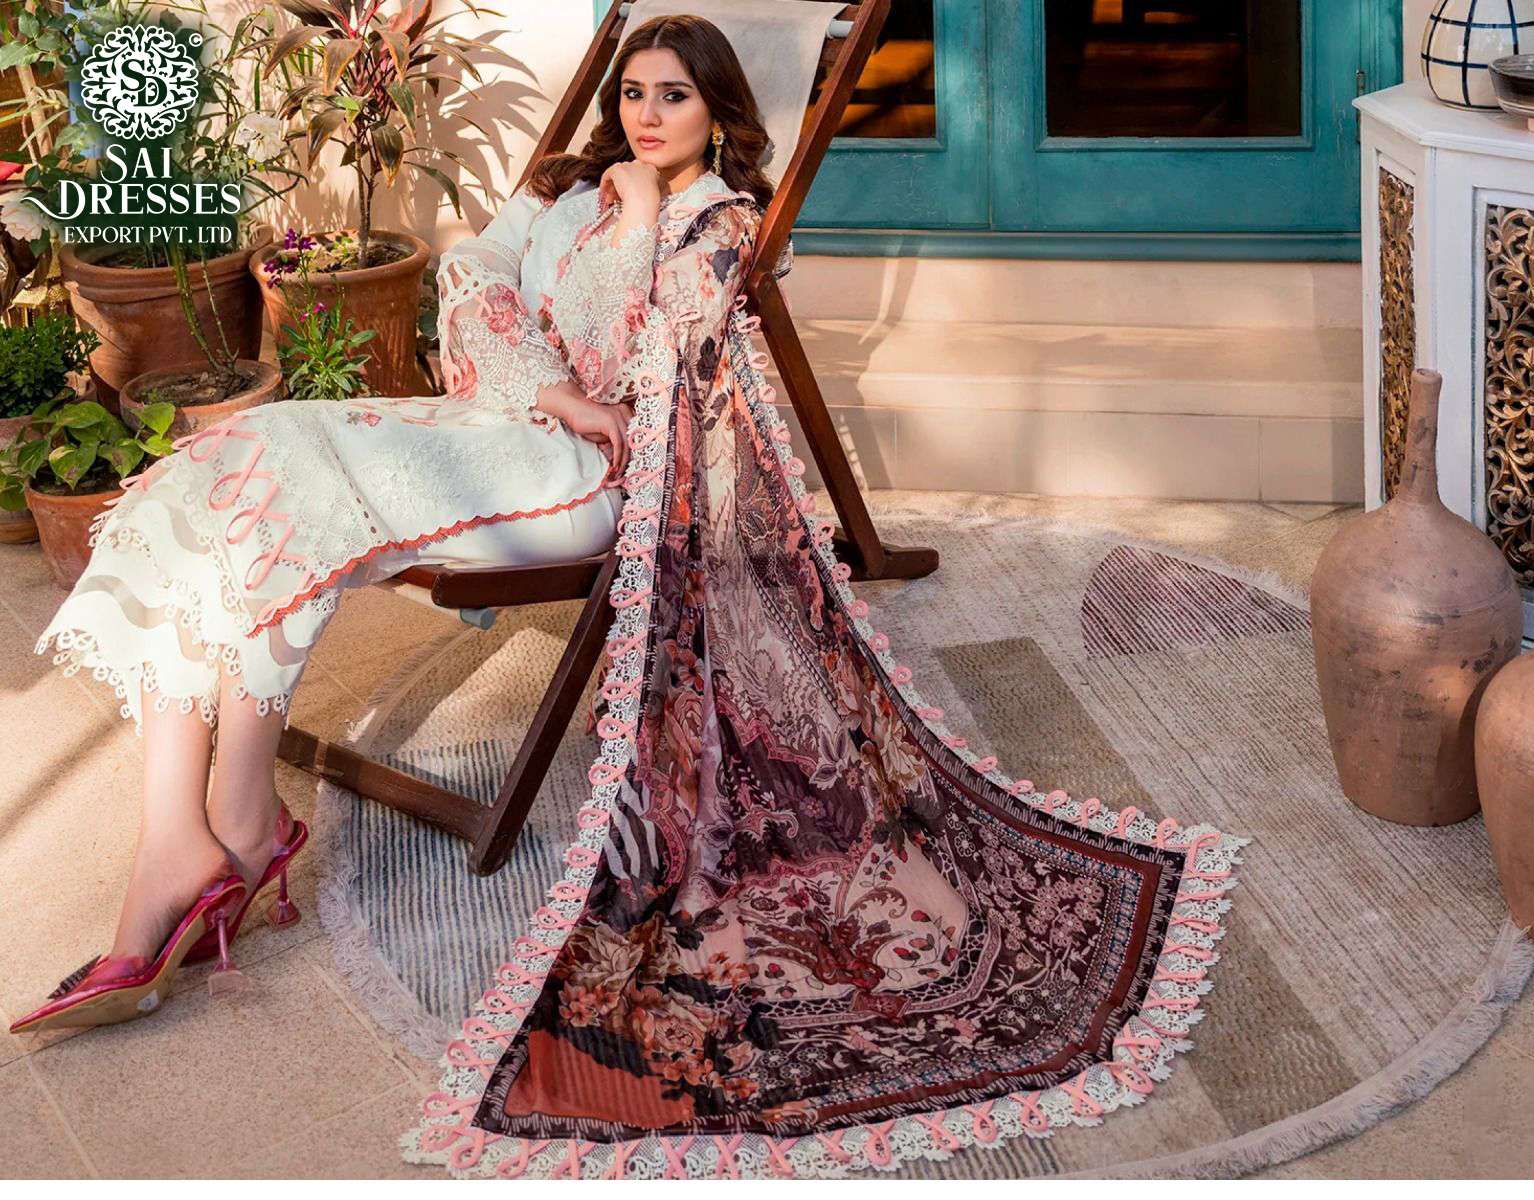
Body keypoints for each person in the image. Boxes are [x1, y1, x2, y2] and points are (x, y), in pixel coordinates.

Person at [16, 14, 1244, 1181]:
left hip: (585, 478)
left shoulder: (719, 221)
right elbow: (472, 279)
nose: (647, 114)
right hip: (508, 426)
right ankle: (204, 833)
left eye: (675, 96)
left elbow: (659, 364)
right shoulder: (563, 187)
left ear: (717, 112)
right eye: (634, 93)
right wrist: (546, 378)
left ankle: (219, 842)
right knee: (234, 466)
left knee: (282, 474)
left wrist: (641, 225)